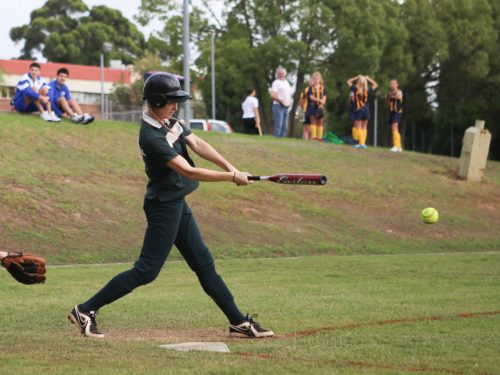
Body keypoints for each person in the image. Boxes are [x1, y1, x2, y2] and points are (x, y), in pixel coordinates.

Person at [67, 73, 274, 339]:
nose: (176, 106)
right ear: (155, 101)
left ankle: (237, 321)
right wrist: (231, 178)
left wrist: (231, 167)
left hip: (176, 203)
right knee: (146, 271)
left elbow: (197, 143)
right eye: (171, 101)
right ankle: (85, 309)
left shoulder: (168, 120)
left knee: (204, 264)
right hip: (163, 206)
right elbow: (188, 171)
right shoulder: (151, 136)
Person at [346, 75, 378, 149]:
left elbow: (348, 81)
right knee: (364, 127)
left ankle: (361, 143)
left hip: (359, 109)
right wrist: (368, 78)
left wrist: (356, 77)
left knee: (358, 127)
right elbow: (375, 85)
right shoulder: (367, 89)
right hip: (366, 109)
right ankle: (363, 143)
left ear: (359, 82)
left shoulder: (355, 89)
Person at [270, 66, 293, 137]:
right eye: (279, 73)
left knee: (285, 127)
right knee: (278, 126)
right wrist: (281, 101)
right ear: (277, 74)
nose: (281, 74)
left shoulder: (287, 83)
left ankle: (282, 141)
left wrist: (290, 102)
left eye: (282, 73)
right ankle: (276, 141)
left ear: (285, 74)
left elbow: (288, 95)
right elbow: (272, 95)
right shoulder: (276, 82)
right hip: (278, 106)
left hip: (286, 107)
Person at [306, 72, 328, 141]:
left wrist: (321, 104)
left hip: (320, 107)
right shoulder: (310, 88)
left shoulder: (323, 88)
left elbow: (324, 98)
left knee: (320, 121)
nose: (316, 80)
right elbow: (311, 97)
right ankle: (314, 137)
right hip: (312, 106)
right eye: (315, 78)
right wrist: (319, 100)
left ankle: (319, 137)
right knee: (313, 121)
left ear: (320, 79)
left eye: (317, 78)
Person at [387, 79, 403, 152]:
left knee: (394, 127)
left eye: (393, 83)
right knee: (394, 128)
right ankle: (399, 146)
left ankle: (396, 146)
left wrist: (391, 96)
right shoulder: (390, 93)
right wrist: (388, 98)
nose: (392, 85)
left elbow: (399, 97)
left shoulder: (398, 91)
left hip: (397, 111)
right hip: (392, 111)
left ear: (397, 85)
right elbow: (388, 102)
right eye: (391, 83)